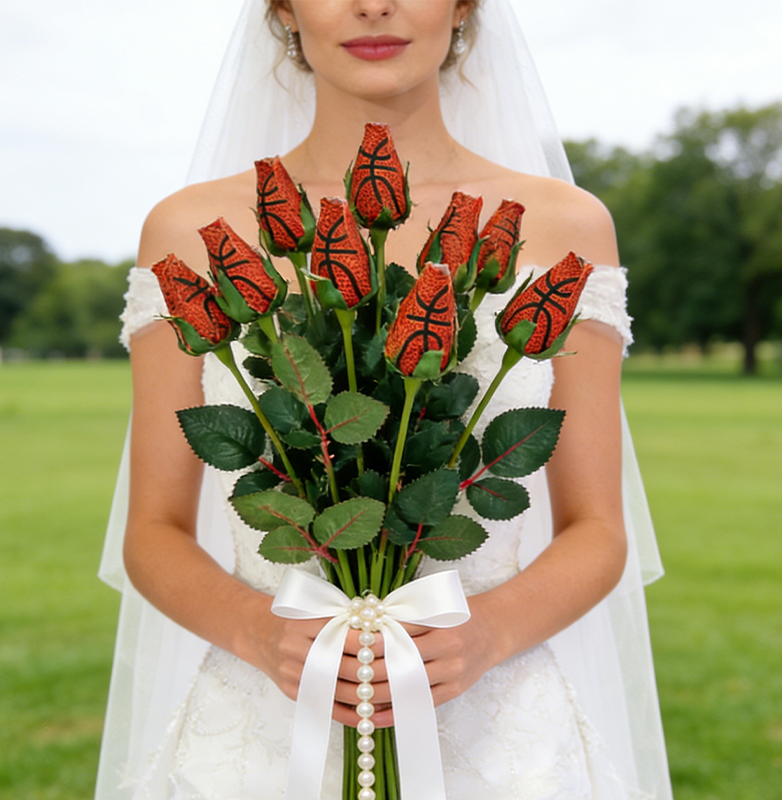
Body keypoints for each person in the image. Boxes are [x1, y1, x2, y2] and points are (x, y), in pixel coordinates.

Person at [96, 1, 673, 798]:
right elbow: (153, 531)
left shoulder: (561, 225)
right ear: (284, 8)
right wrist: (260, 634)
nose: (373, 5)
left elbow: (599, 530)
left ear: (464, 5)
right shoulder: (189, 228)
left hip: (494, 724)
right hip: (264, 721)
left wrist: (487, 634)